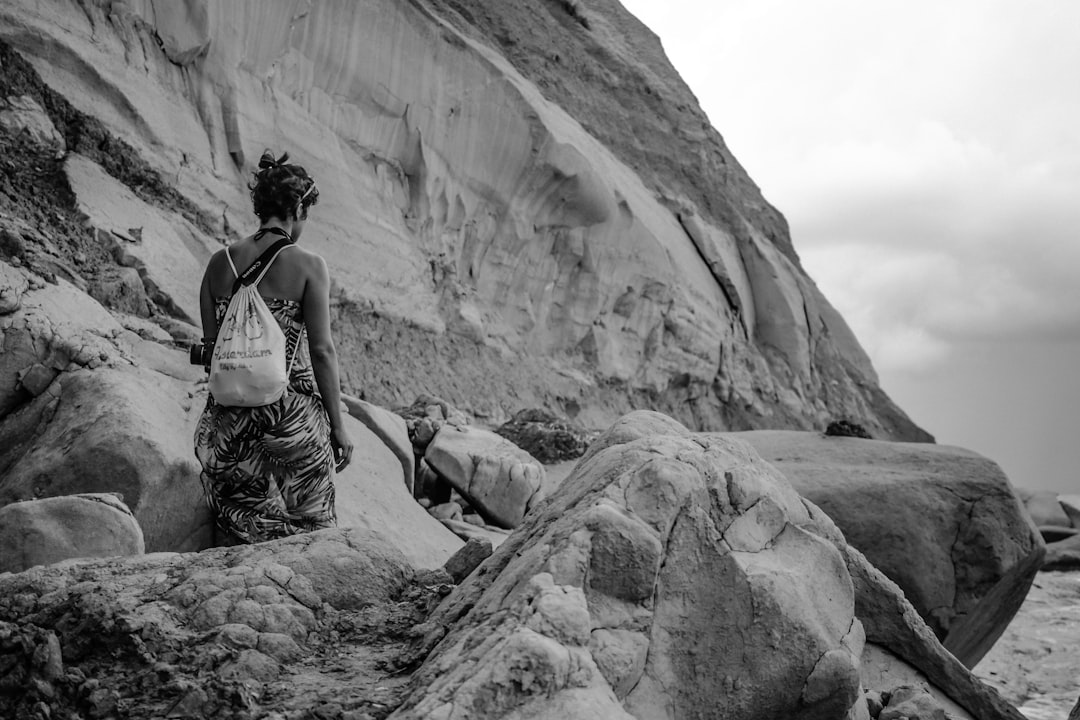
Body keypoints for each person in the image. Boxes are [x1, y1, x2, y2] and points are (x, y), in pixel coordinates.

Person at [194, 150, 354, 544]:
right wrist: (338, 427)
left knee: (241, 512)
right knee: (313, 526)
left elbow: (213, 352)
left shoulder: (219, 264)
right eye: (306, 215)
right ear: (297, 208)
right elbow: (321, 352)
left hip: (226, 426)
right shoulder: (309, 266)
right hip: (288, 416)